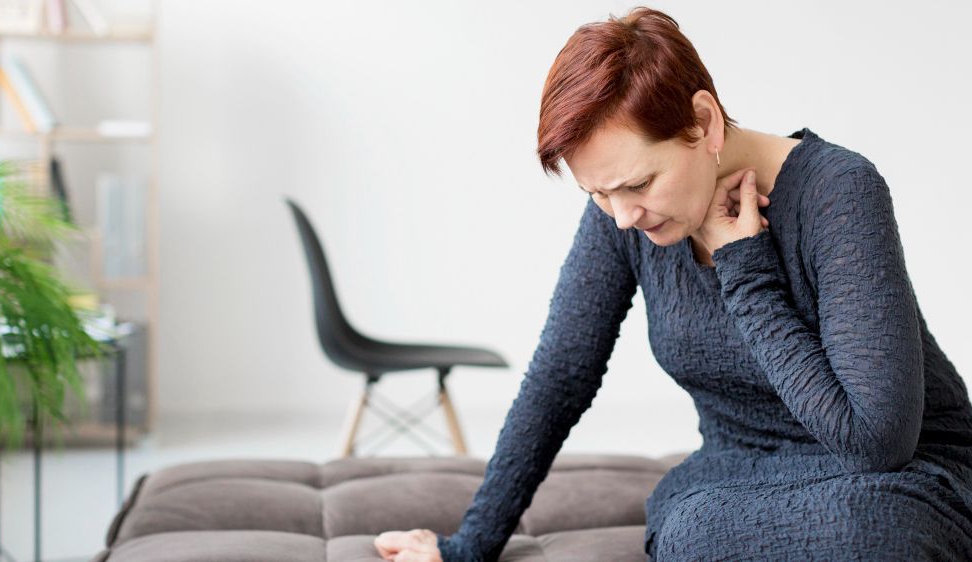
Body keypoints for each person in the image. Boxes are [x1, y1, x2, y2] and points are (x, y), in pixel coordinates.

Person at [374, 6, 972, 561]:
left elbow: (875, 442)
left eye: (638, 184)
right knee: (690, 530)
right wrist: (467, 546)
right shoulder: (620, 213)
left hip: (901, 478)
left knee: (866, 531)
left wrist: (746, 272)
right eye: (598, 194)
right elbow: (560, 377)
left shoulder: (839, 191)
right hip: (738, 476)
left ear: (705, 122)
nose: (624, 215)